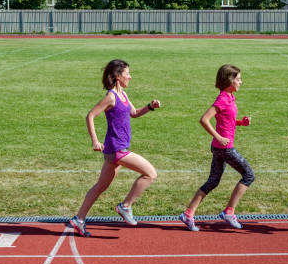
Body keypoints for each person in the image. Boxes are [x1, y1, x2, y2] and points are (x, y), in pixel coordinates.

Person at [69, 59, 161, 237]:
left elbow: (133, 113)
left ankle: (79, 219)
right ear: (118, 76)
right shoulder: (111, 97)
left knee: (99, 187)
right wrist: (95, 140)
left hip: (116, 150)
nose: (130, 76)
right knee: (150, 174)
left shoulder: (124, 95)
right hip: (117, 149)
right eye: (127, 73)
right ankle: (125, 206)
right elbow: (90, 116)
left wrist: (150, 106)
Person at [179, 64, 255, 231]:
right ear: (229, 80)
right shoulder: (223, 98)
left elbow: (226, 121)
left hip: (219, 148)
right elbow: (204, 119)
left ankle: (188, 213)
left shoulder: (230, 97)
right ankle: (229, 212)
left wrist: (241, 122)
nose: (241, 82)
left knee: (213, 181)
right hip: (225, 148)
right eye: (239, 79)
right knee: (249, 175)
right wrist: (219, 137)